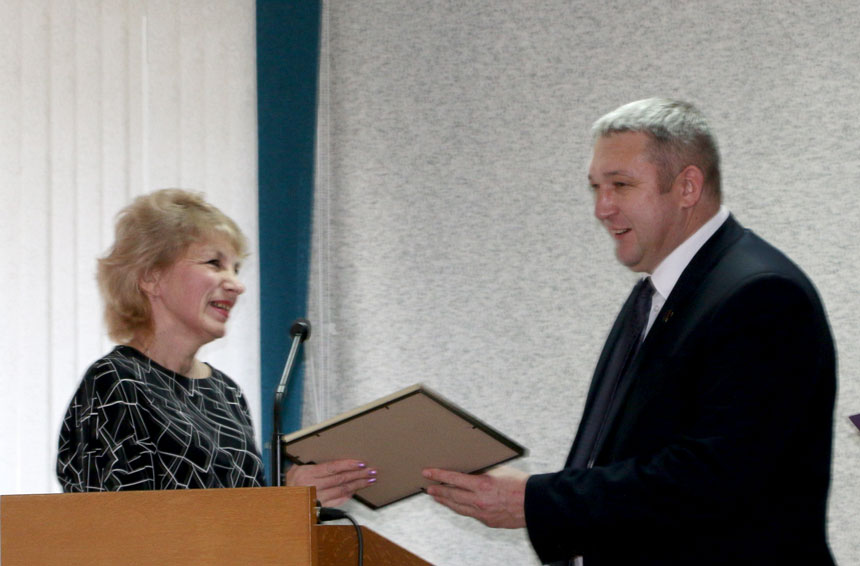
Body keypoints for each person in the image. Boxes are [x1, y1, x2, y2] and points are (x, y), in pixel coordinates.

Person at [423, 98, 836, 565]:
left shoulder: (761, 294)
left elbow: (716, 476)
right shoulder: (660, 292)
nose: (602, 208)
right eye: (595, 188)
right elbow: (627, 456)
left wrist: (534, 501)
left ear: (687, 187)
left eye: (620, 185)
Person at [57, 189, 376, 506]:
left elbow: (248, 519)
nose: (237, 285)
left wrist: (293, 499)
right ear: (152, 277)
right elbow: (117, 524)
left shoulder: (226, 392)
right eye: (214, 263)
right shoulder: (115, 381)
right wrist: (284, 501)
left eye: (236, 269)